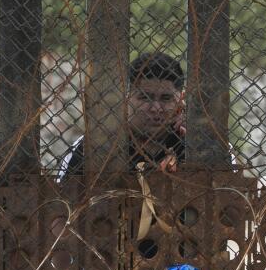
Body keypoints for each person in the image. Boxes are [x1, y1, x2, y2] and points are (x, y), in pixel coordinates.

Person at [57, 52, 186, 180]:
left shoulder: (189, 142)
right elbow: (62, 194)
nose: (156, 108)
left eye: (166, 98)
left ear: (180, 100)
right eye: (145, 97)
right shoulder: (94, 144)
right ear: (125, 99)